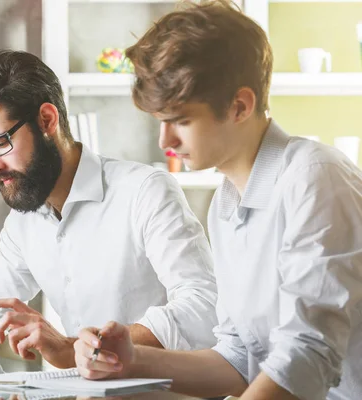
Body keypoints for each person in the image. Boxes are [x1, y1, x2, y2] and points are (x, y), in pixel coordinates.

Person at [73, 1, 362, 400]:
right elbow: (240, 358)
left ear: (239, 106)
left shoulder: (315, 176)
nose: (165, 142)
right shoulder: (225, 206)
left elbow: (308, 352)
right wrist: (132, 359)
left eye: (181, 120)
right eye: (161, 121)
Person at [0, 49, 218, 368]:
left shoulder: (144, 191)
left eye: (0, 145)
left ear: (46, 120)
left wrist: (81, 348)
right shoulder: (23, 222)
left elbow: (202, 307)